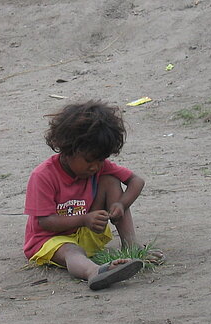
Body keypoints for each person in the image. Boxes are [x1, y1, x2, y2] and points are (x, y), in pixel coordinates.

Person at [24, 100, 147, 290]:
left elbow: (136, 181)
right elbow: (45, 222)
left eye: (101, 160)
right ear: (67, 149)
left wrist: (120, 205)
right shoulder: (43, 175)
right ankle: (95, 272)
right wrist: (84, 219)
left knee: (111, 180)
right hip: (50, 239)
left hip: (86, 230)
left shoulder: (99, 166)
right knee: (72, 251)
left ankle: (131, 246)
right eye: (89, 160)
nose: (96, 167)